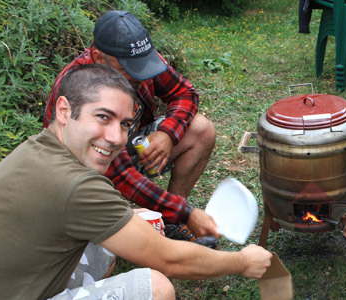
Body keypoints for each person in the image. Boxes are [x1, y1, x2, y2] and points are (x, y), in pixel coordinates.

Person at [0, 64, 272, 300]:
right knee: (156, 287)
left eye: (124, 124)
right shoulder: (76, 186)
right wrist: (242, 262)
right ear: (65, 110)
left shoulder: (40, 147)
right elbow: (169, 260)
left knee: (126, 226)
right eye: (103, 118)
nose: (116, 138)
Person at [42, 10, 218, 242]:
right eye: (129, 70)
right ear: (99, 58)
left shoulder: (141, 61)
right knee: (101, 236)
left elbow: (185, 93)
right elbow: (120, 174)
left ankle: (169, 224)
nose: (141, 75)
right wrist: (186, 212)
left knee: (201, 129)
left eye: (143, 65)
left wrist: (167, 134)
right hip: (84, 172)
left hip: (124, 150)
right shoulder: (80, 89)